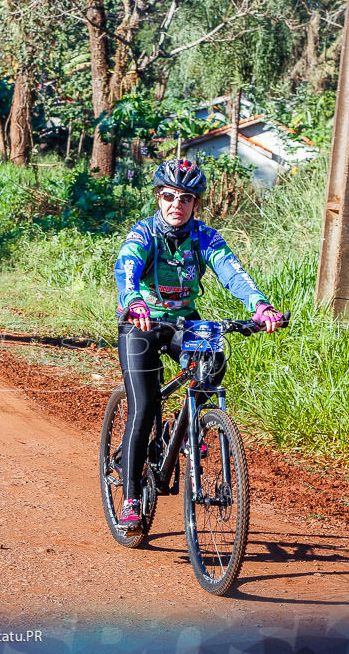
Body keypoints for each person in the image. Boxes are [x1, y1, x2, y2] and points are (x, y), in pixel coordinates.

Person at [112, 158, 283, 534]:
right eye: (170, 196)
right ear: (158, 198)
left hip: (184, 322)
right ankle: (129, 499)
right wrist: (133, 302)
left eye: (186, 198)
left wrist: (260, 305)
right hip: (141, 324)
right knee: (143, 408)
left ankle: (191, 426)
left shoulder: (204, 236)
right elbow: (126, 268)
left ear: (195, 204)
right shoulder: (143, 234)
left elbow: (231, 270)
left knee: (214, 356)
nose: (177, 204)